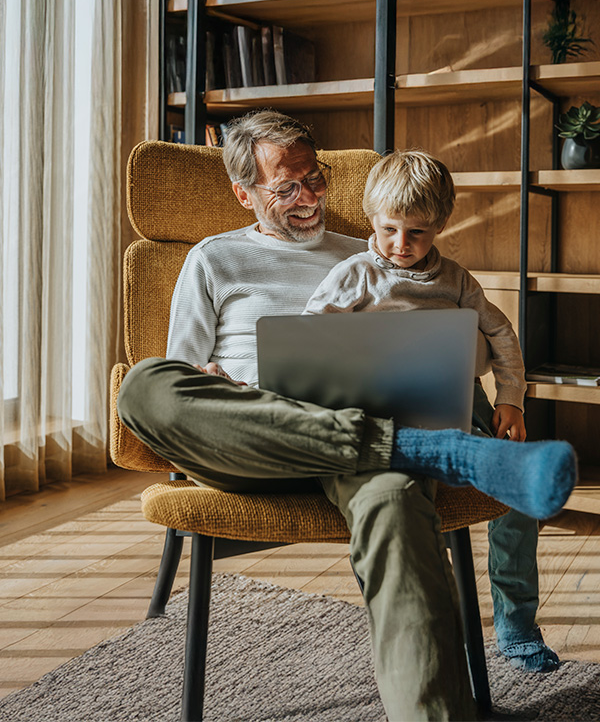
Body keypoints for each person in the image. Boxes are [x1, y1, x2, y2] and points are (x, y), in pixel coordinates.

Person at [118, 110, 576, 721]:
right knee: (145, 385)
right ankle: (433, 451)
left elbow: (458, 331)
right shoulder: (212, 259)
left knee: (392, 498)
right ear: (244, 193)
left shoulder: (375, 254)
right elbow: (182, 372)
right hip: (257, 436)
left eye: (316, 179)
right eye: (287, 187)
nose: (309, 198)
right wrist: (219, 384)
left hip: (363, 442)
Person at [303, 147, 563, 673]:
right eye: (390, 230)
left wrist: (510, 400)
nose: (402, 245)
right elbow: (309, 336)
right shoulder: (354, 274)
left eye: (418, 233)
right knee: (404, 507)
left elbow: (501, 335)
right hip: (384, 412)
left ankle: (516, 628)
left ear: (440, 225)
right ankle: (429, 627)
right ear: (372, 221)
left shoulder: (458, 281)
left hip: (460, 403)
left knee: (515, 500)